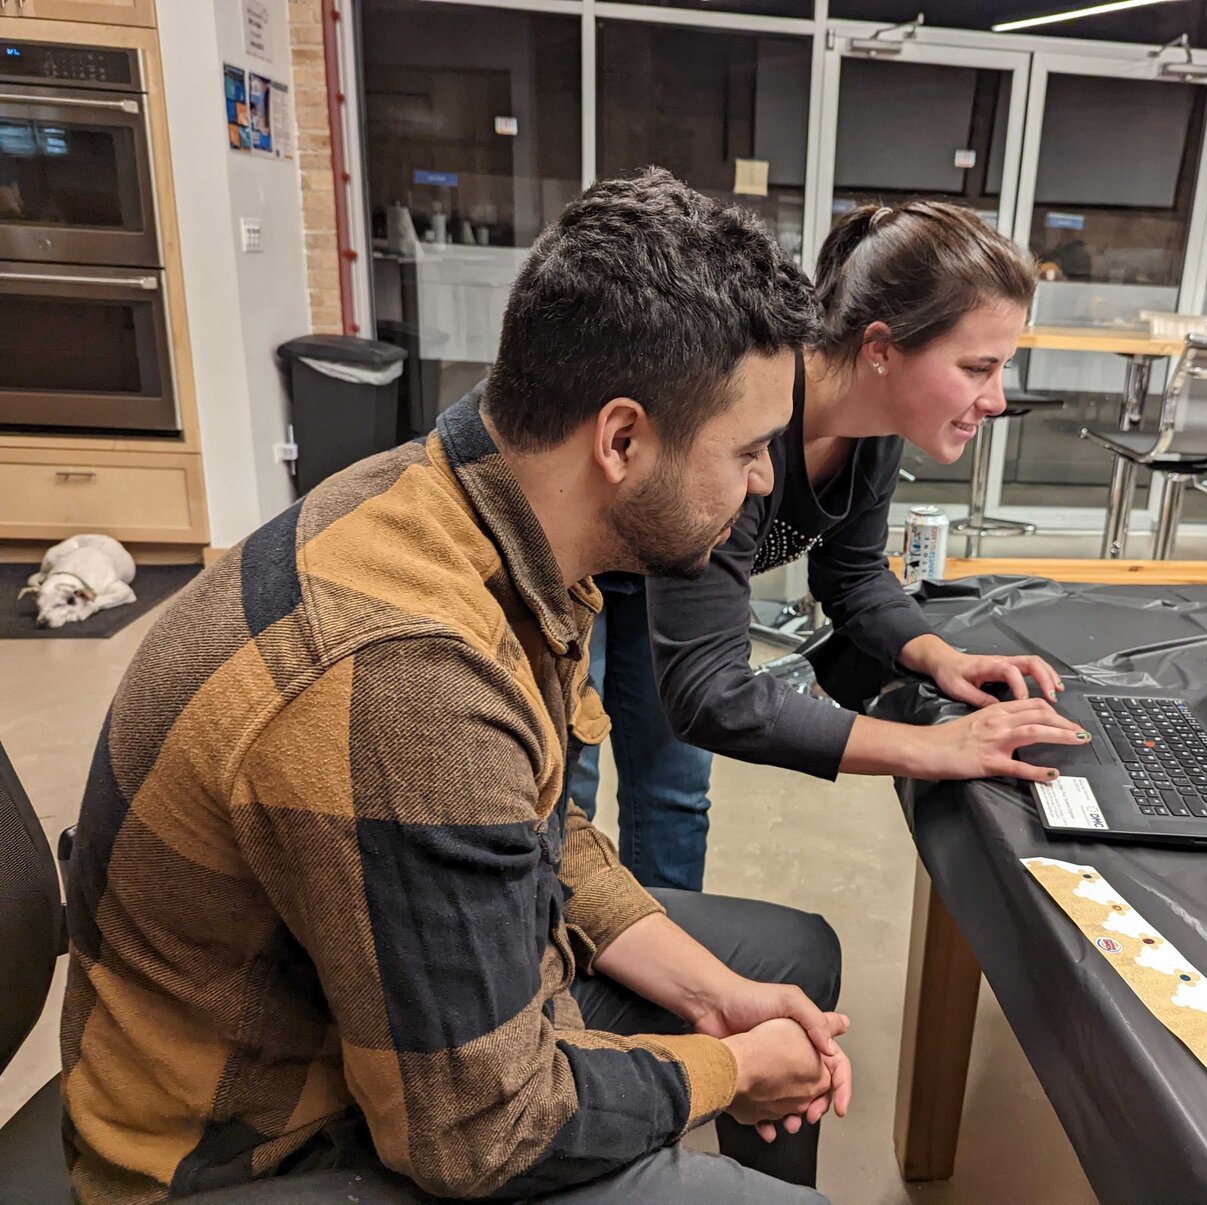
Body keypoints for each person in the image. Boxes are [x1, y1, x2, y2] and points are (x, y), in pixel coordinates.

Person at [59, 171, 851, 1204]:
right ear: (620, 439)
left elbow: (542, 827)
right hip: (258, 1144)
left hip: (391, 1025)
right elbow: (481, 1130)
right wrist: (733, 1068)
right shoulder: (410, 677)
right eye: (747, 449)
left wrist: (722, 998)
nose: (760, 484)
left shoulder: (481, 509)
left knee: (790, 961)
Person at [646, 202, 1091, 884]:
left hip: (668, 575)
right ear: (881, 347)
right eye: (977, 368)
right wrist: (930, 747)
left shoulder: (873, 425)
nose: (998, 399)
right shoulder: (739, 418)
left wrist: (942, 657)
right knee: (559, 790)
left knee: (673, 795)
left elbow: (851, 574)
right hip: (591, 574)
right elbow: (712, 693)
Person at [569, 571, 715, 892]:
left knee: (676, 795)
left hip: (669, 565)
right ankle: (555, 932)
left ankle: (665, 926)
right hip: (559, 562)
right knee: (562, 796)